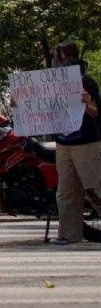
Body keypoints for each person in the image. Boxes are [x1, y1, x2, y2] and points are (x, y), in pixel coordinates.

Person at [46, 42, 101, 245]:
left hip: (87, 143)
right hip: (63, 143)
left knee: (95, 189)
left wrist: (88, 102)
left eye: (59, 57)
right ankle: (69, 235)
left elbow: (95, 113)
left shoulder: (86, 82)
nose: (56, 61)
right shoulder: (51, 86)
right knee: (66, 191)